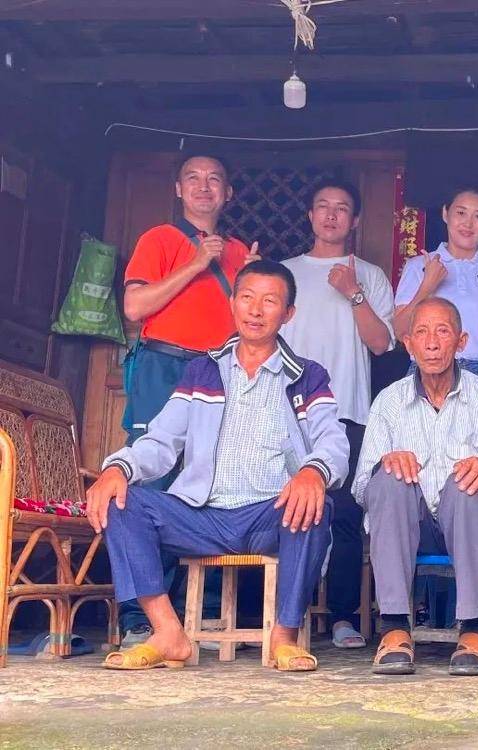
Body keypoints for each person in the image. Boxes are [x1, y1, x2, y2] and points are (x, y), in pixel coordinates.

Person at [87, 260, 350, 672]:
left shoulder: (306, 376)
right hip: (201, 515)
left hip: (270, 514)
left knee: (317, 506)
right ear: (232, 303)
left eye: (270, 301)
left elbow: (333, 440)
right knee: (123, 502)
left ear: (288, 314)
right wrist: (118, 468)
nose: (256, 310)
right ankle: (167, 632)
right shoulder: (202, 370)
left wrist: (312, 471)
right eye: (247, 297)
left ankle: (283, 638)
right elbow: (161, 441)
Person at [118, 154, 259, 647]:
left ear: (228, 193)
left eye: (214, 179)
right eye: (193, 179)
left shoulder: (239, 251)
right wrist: (198, 263)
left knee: (212, 481)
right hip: (164, 364)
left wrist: (250, 278)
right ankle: (140, 615)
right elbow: (135, 306)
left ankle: (204, 614)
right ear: (178, 189)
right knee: (151, 481)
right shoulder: (159, 239)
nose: (204, 187)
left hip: (219, 370)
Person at [354, 297, 478, 676]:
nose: (432, 343)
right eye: (422, 333)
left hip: (470, 526)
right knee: (389, 479)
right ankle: (394, 627)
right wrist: (386, 464)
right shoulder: (389, 402)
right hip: (409, 528)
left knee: (469, 483)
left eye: (443, 332)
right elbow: (361, 487)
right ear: (408, 344)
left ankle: (475, 631)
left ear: (461, 342)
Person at [281, 181, 394, 650]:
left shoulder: (370, 275)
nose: (331, 215)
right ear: (310, 215)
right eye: (322, 207)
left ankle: (344, 616)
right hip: (286, 410)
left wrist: (354, 293)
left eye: (341, 208)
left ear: (355, 220)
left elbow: (382, 344)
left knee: (345, 514)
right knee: (281, 510)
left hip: (347, 408)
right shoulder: (284, 273)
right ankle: (280, 615)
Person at [393, 187, 478, 386]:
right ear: (445, 213)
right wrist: (427, 286)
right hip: (427, 370)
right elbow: (400, 331)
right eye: (461, 213)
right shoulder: (418, 265)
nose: (468, 223)